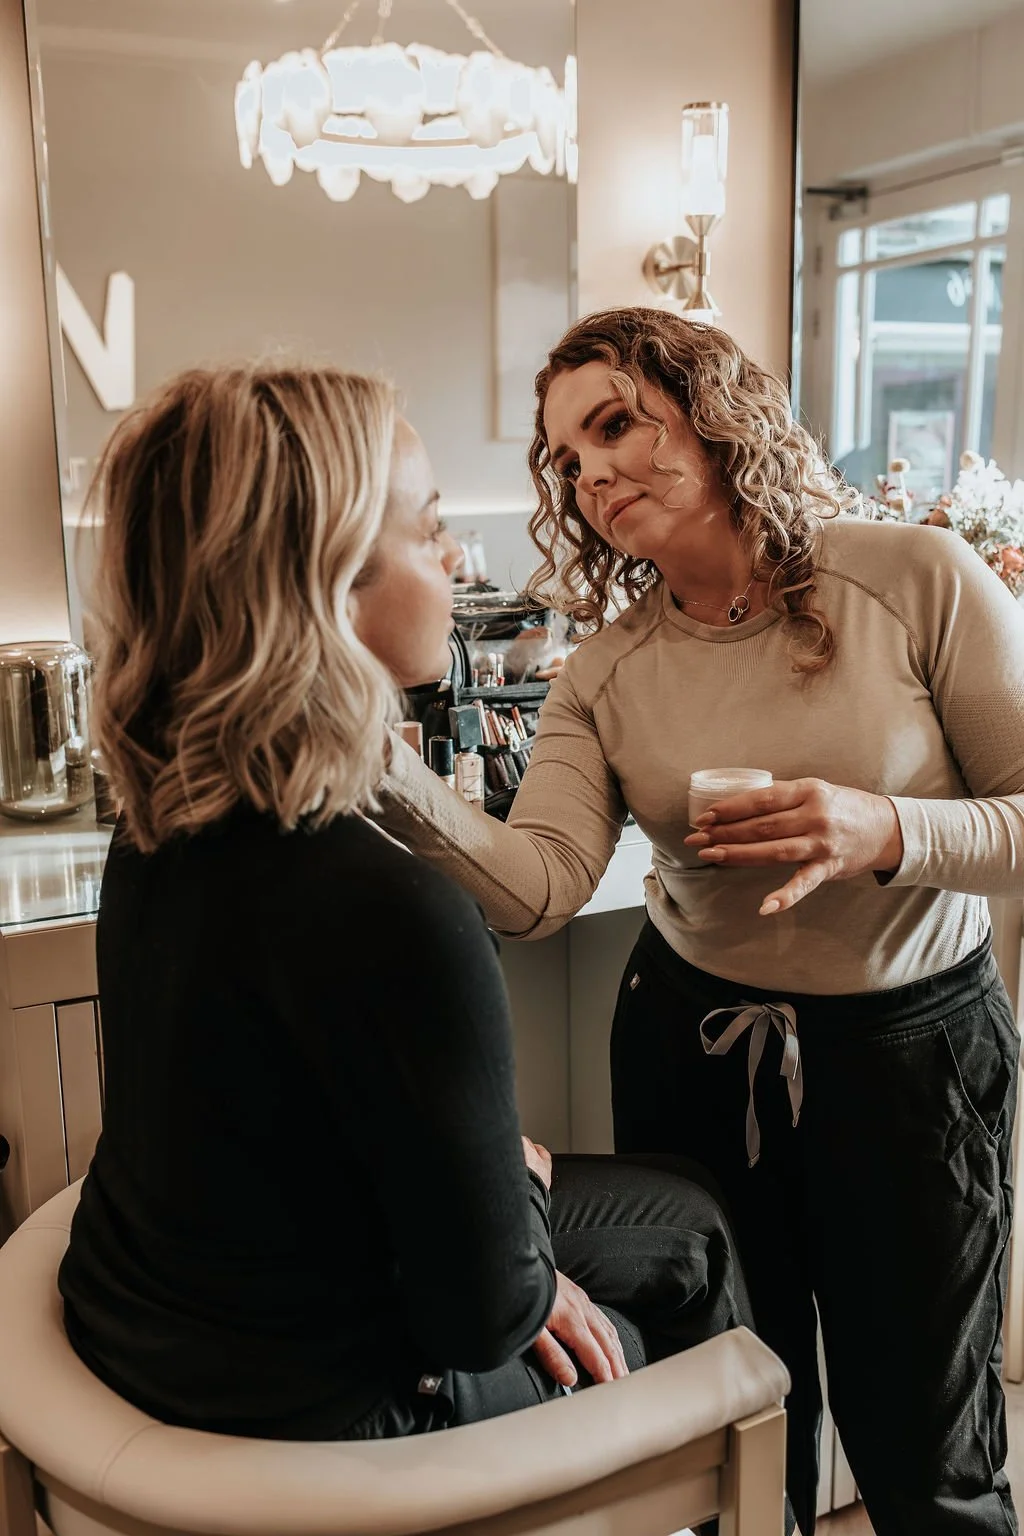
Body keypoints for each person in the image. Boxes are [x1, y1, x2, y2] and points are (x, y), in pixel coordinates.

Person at [375, 308, 1024, 1535]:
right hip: (692, 1053)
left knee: (927, 1447)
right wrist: (382, 772)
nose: (593, 471)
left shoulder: (916, 581)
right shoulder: (604, 673)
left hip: (910, 1065)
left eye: (616, 423)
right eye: (568, 457)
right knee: (732, 1424)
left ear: (712, 410)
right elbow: (541, 886)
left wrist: (887, 831)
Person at [57, 362, 754, 1454]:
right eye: (431, 530)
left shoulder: (161, 830)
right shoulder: (392, 908)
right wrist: (519, 1205)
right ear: (329, 589)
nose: (459, 562)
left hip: (157, 1331)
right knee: (682, 1265)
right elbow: (481, 1319)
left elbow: (295, 1134)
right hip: (322, 1412)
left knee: (683, 1208)